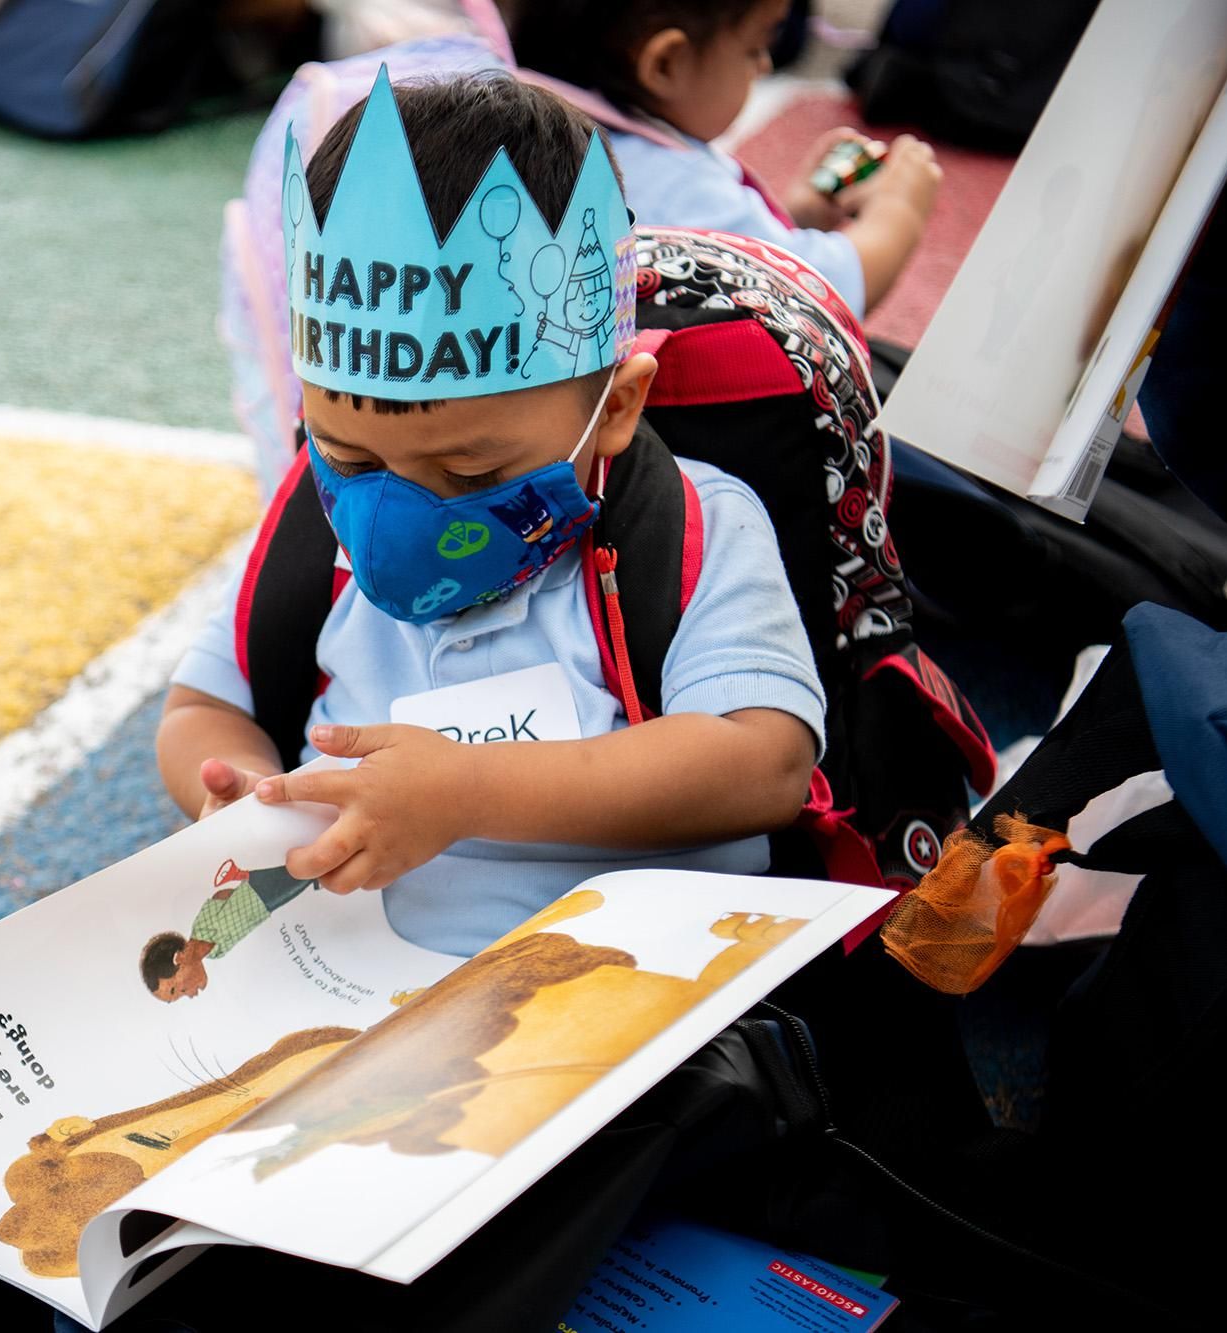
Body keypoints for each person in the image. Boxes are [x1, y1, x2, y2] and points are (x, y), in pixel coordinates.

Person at [159, 70, 825, 961]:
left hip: (620, 992)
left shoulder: (695, 528)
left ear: (616, 409)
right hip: (348, 982)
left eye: (470, 469)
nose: (398, 512)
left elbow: (764, 764)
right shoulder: (314, 530)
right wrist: (247, 797)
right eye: (351, 459)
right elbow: (203, 704)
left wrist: (469, 791)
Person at [506, 0, 942, 316]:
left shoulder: (519, 127)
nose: (765, 65)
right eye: (754, 47)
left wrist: (802, 215)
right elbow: (824, 293)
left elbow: (710, 254)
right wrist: (900, 210)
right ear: (666, 64)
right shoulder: (676, 183)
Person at [141, 859, 318, 1001]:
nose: (189, 995)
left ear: (179, 958)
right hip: (265, 908)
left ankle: (243, 873)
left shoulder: (201, 927)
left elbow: (220, 896)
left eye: (177, 989)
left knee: (303, 872)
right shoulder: (217, 953)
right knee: (303, 877)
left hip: (255, 892)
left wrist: (240, 894)